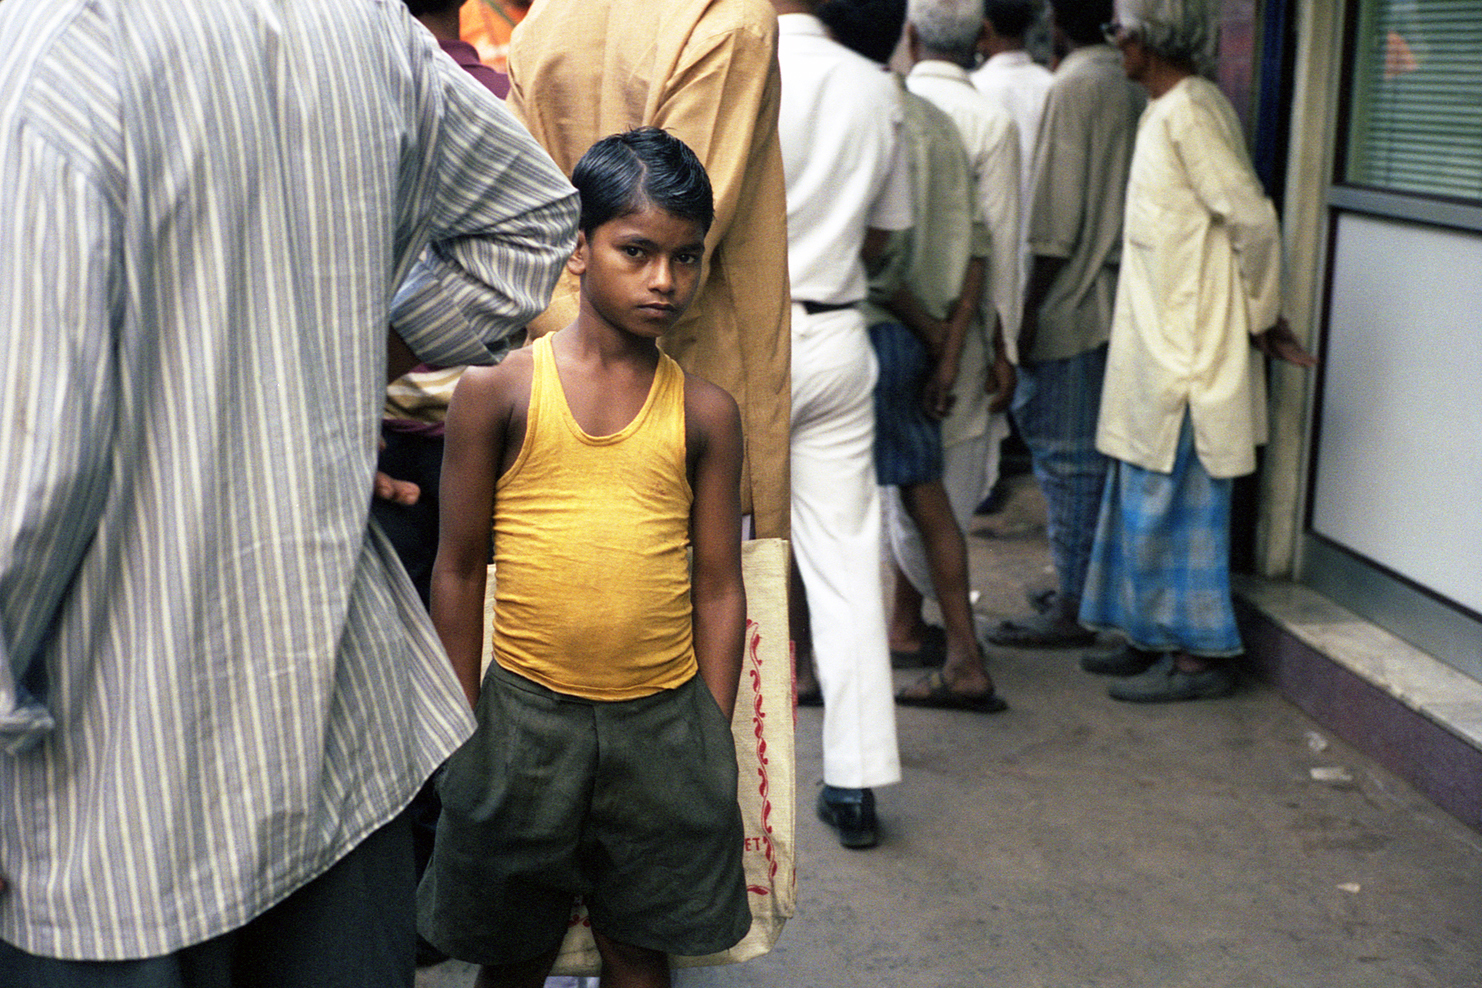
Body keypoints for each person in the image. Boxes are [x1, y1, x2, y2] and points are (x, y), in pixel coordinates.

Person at [0, 0, 578, 982]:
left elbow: (31, 479)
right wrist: (340, 350)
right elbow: (526, 218)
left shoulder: (58, 48)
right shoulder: (356, 23)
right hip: (331, 734)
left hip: (112, 803)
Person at [417, 129, 751, 987]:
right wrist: (462, 735)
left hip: (664, 725)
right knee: (513, 951)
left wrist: (708, 733)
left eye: (686, 258)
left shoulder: (706, 413)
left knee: (641, 951)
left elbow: (718, 586)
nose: (664, 280)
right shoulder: (497, 394)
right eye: (636, 252)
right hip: (523, 719)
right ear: (577, 250)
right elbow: (456, 571)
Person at [1079, 0, 1316, 701]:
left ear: (1151, 41)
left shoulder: (1191, 110)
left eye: (1120, 30)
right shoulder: (1165, 109)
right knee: (1141, 499)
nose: (1114, 43)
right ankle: (1147, 634)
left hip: (1187, 355)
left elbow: (1252, 218)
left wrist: (1261, 314)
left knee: (1175, 505)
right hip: (1156, 347)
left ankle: (1197, 661)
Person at [507, 0, 792, 542]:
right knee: (713, 595)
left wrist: (571, 345)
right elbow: (686, 226)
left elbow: (521, 214)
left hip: (554, 386)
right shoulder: (731, 22)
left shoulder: (545, 20)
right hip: (694, 388)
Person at [816, 0, 1008, 715]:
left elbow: (876, 260)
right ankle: (964, 657)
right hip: (920, 345)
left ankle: (808, 669)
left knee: (821, 511)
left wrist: (930, 335)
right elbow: (978, 251)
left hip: (863, 328)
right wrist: (949, 351)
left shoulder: (857, 113)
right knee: (927, 504)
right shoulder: (939, 123)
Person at [771, 0, 912, 849]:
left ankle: (699, 774)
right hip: (838, 330)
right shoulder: (873, 86)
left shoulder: (736, 64)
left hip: (741, 339)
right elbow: (886, 238)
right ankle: (854, 782)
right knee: (849, 560)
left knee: (703, 550)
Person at [987, 0, 1145, 648]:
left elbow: (1052, 227)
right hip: (1122, 302)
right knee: (1090, 464)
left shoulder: (1077, 86)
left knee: (1068, 464)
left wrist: (1023, 320)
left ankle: (1076, 606)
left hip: (1075, 304)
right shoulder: (1134, 82)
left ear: (1057, 23)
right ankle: (1083, 590)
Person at [887, 0, 1021, 679]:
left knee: (876, 494)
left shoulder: (888, 110)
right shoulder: (979, 123)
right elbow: (993, 245)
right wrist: (993, 347)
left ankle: (895, 632)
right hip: (952, 338)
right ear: (980, 41)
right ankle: (933, 638)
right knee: (932, 487)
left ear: (909, 38)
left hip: (879, 331)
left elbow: (877, 254)